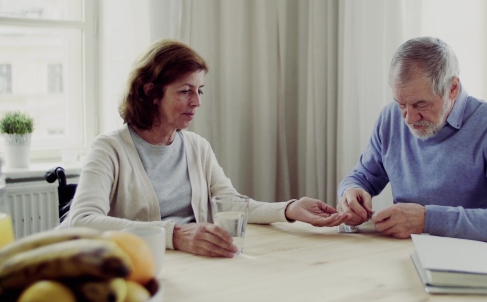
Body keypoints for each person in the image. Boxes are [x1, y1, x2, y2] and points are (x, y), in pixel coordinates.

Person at [60, 38, 349, 257]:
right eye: (185, 91)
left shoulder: (197, 147)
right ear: (151, 93)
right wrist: (176, 235)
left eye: (199, 91)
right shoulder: (109, 148)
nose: (197, 102)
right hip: (136, 270)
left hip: (188, 264)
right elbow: (83, 222)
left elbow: (231, 203)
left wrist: (289, 209)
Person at [336, 37, 487, 248]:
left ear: (453, 88)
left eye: (421, 104)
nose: (409, 118)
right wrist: (351, 192)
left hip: (479, 263)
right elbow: (361, 177)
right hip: (406, 254)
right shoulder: (391, 117)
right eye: (401, 103)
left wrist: (428, 220)